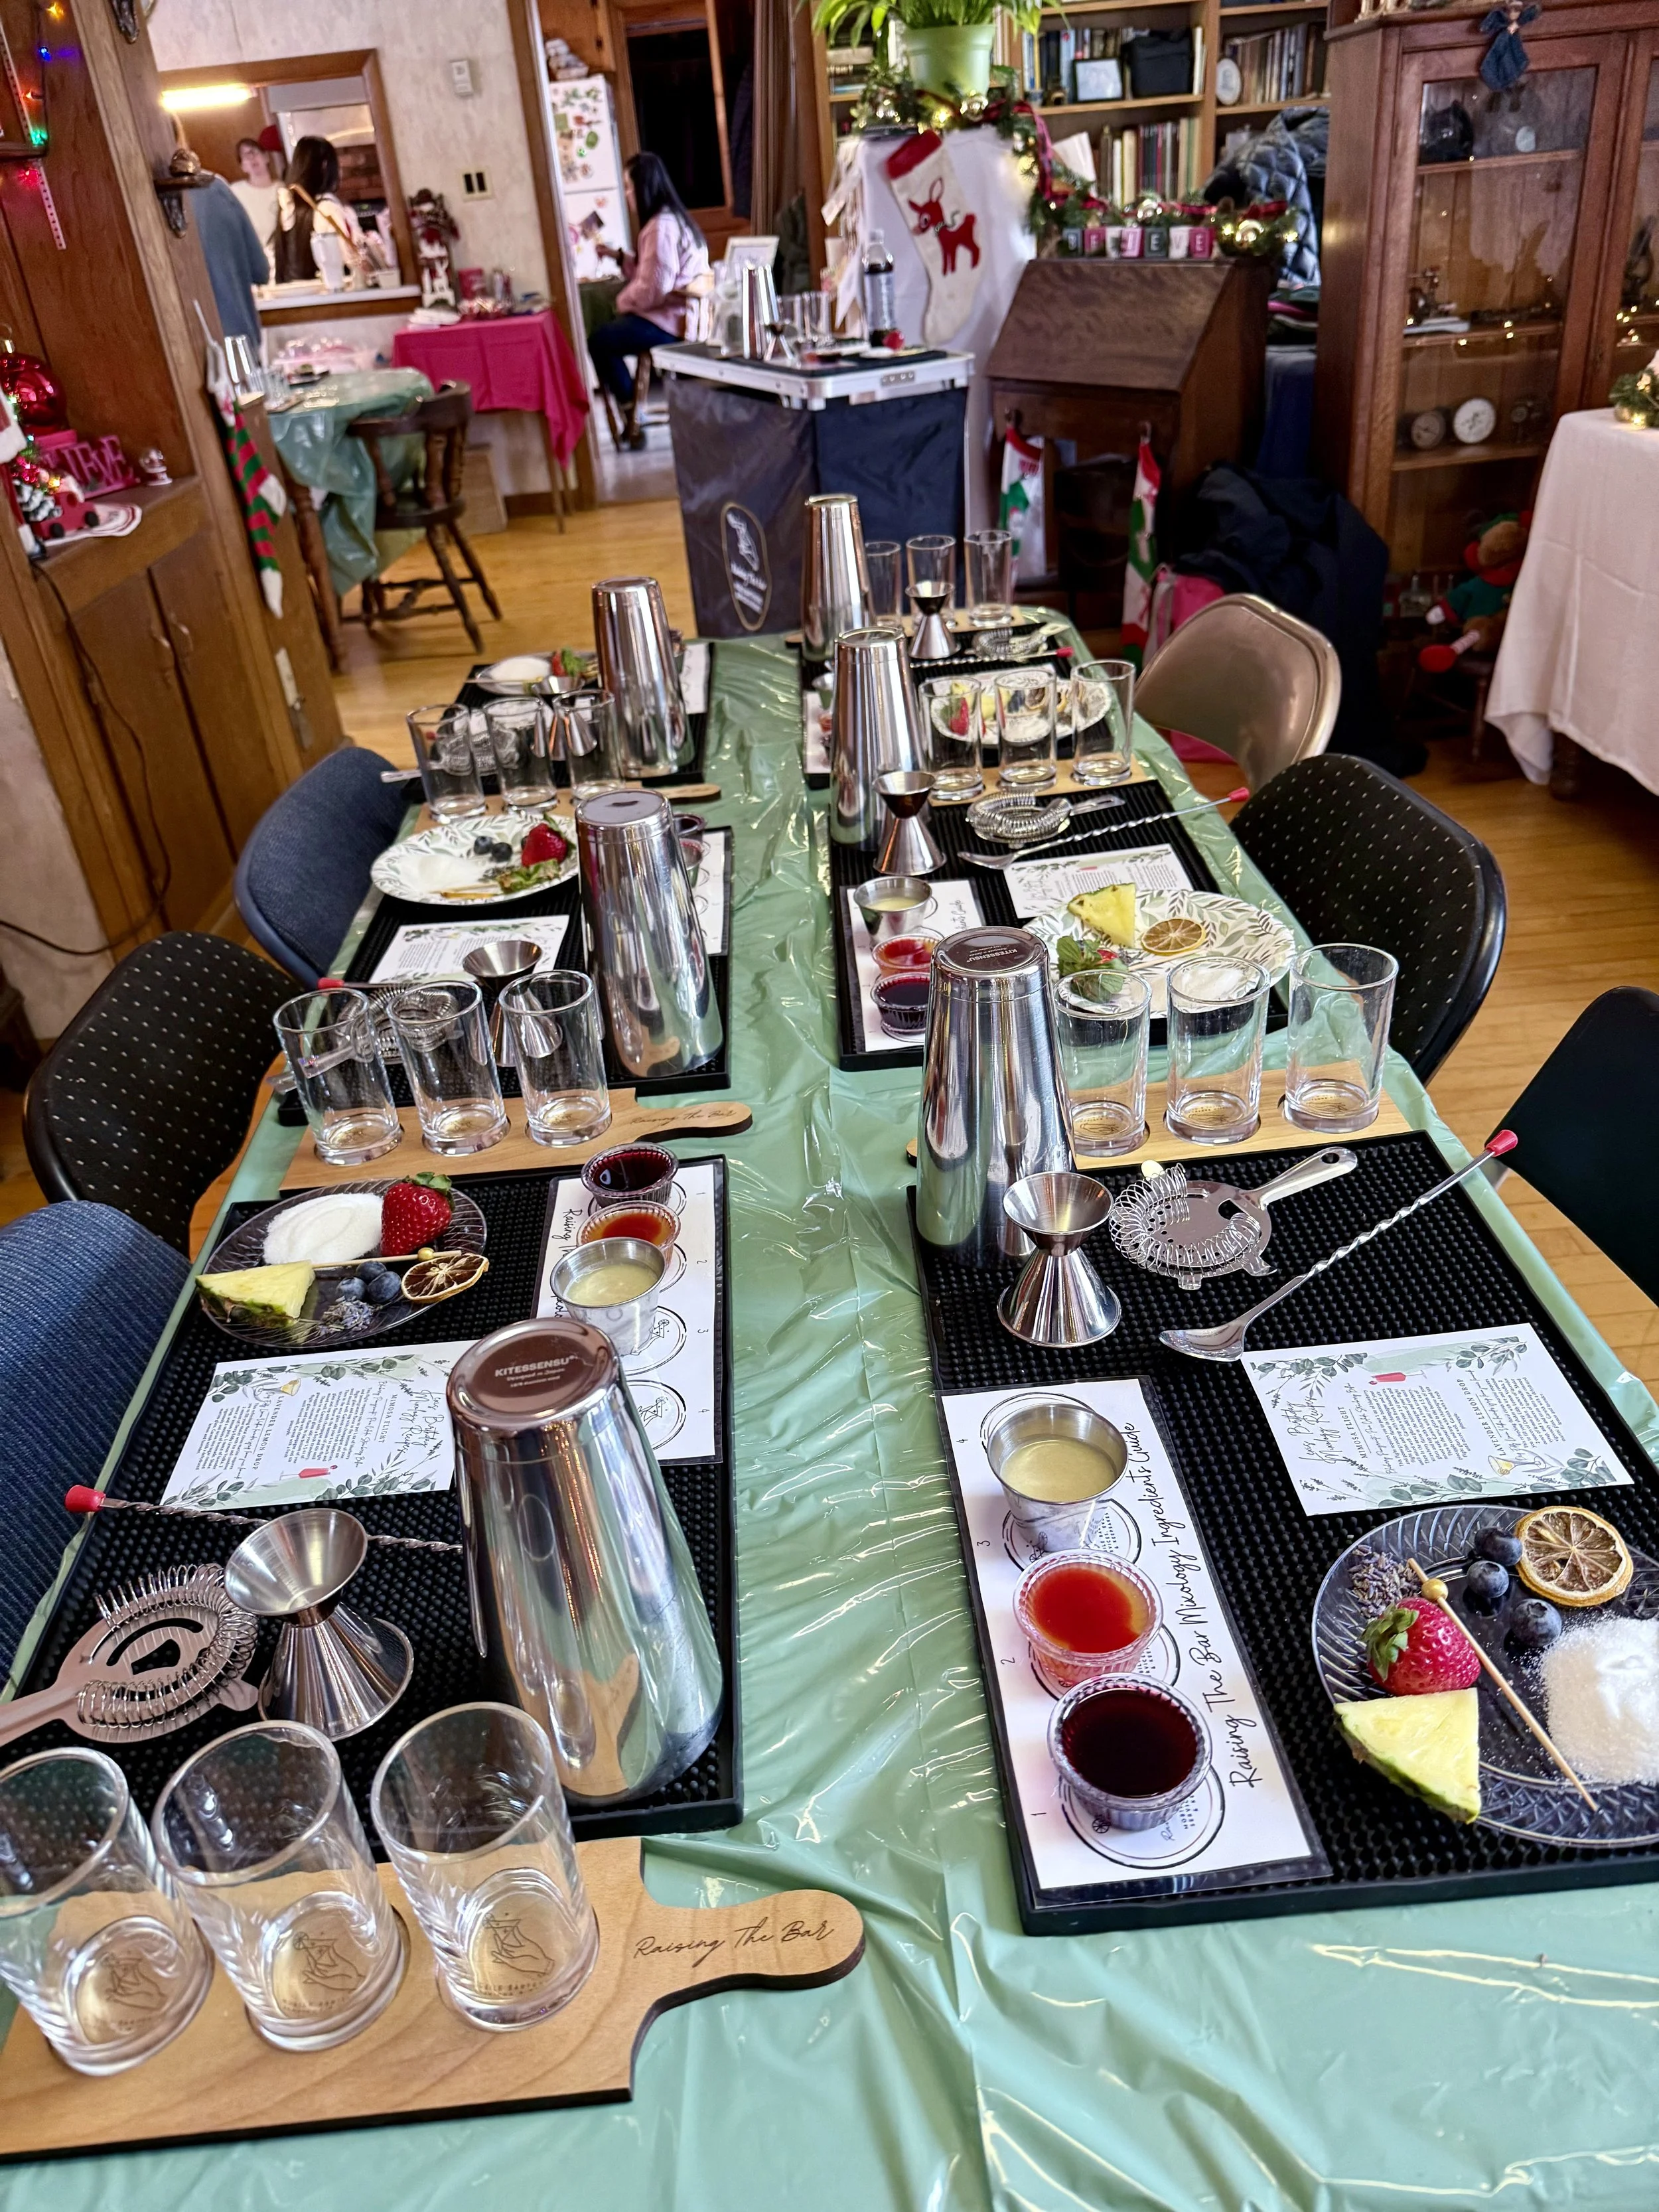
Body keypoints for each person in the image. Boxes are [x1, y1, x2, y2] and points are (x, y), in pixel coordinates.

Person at [589, 151, 709, 445]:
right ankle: (633, 412)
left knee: (600, 340)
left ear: (643, 188)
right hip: (681, 317)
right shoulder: (675, 219)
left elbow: (654, 287)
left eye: (629, 187)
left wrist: (622, 302)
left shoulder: (660, 227)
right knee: (611, 332)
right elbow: (654, 272)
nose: (628, 194)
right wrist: (619, 257)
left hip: (671, 325)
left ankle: (632, 412)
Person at [273, 135, 369, 287]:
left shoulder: (289, 207)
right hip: (332, 295)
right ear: (325, 165)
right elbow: (351, 261)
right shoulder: (327, 208)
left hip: (298, 298)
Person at [193, 173, 269, 348]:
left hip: (187, 353)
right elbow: (260, 271)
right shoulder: (213, 188)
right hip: (239, 341)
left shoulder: (140, 200)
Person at [229, 134, 281, 278]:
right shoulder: (235, 192)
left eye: (255, 152)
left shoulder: (282, 189)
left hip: (282, 262)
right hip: (254, 263)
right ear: (242, 166)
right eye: (246, 156)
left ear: (266, 157)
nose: (252, 158)